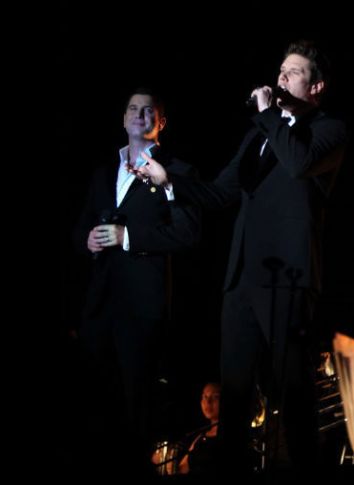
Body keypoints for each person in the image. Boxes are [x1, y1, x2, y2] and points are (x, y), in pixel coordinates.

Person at [135, 40, 347, 478]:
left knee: (293, 389)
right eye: (281, 70)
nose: (282, 77)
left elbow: (298, 164)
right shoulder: (259, 135)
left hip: (288, 278)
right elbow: (219, 193)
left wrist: (269, 115)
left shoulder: (327, 130)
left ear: (317, 86)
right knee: (234, 396)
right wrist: (169, 180)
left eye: (294, 72)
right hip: (242, 278)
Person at [73, 87, 201, 476]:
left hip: (142, 307)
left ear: (161, 122)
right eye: (133, 108)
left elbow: (187, 233)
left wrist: (127, 237)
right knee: (94, 400)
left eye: (148, 110)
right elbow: (80, 228)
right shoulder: (102, 173)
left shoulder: (177, 171)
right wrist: (88, 241)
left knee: (136, 405)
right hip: (100, 304)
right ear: (123, 118)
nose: (139, 114)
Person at [177, 382, 221, 476]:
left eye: (215, 397)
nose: (208, 402)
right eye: (205, 397)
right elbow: (182, 469)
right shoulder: (201, 436)